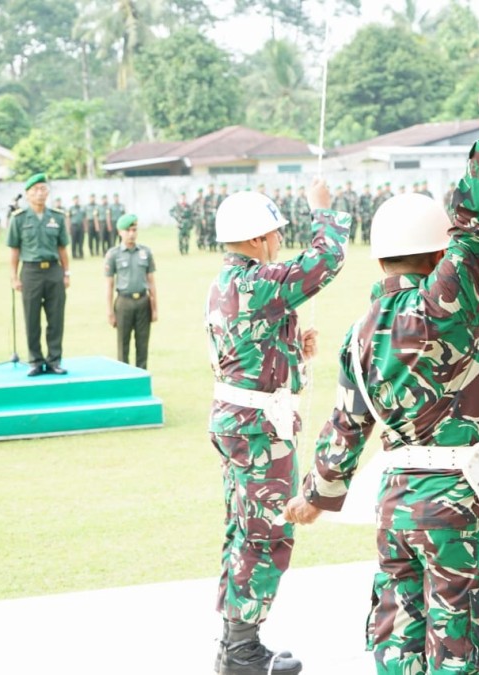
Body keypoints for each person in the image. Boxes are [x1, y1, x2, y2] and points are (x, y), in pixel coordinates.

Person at [284, 78, 479, 675]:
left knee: (399, 639)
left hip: (395, 508)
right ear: (434, 255)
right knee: (463, 643)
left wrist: (316, 495)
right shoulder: (447, 298)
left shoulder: (360, 333)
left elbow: (347, 422)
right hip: (459, 506)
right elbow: (474, 222)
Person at [207, 180, 349, 675]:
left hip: (241, 423)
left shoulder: (228, 281)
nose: (278, 242)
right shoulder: (258, 281)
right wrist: (322, 212)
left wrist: (290, 348)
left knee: (243, 531)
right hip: (257, 433)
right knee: (265, 536)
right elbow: (324, 262)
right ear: (254, 239)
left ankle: (236, 645)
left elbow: (243, 351)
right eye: (273, 234)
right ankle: (242, 652)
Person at [8, 173, 71, 377]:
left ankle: (54, 360)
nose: (40, 193)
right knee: (31, 317)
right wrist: (14, 276)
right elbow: (14, 250)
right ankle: (35, 360)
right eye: (35, 190)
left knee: (56, 317)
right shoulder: (19, 219)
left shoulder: (57, 217)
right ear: (27, 194)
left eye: (43, 189)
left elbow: (62, 248)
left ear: (48, 192)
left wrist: (66, 272)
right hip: (31, 271)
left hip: (53, 270)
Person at [104, 214, 157, 369]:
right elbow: (109, 285)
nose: (131, 234)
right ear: (120, 232)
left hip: (142, 301)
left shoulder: (145, 252)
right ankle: (124, 379)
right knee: (123, 345)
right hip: (123, 302)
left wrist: (154, 308)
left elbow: (151, 282)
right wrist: (109, 312)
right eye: (128, 230)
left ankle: (141, 378)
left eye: (134, 230)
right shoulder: (113, 254)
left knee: (142, 344)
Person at [68, 195, 86, 260]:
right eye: (75, 199)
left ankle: (81, 254)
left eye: (77, 200)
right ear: (73, 200)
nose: (76, 201)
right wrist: (68, 228)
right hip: (74, 226)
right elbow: (68, 218)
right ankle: (74, 254)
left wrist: (85, 227)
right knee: (74, 241)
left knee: (81, 241)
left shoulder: (82, 208)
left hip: (80, 226)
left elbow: (84, 218)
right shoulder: (71, 208)